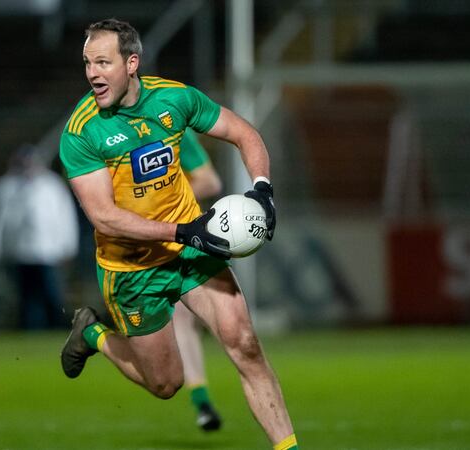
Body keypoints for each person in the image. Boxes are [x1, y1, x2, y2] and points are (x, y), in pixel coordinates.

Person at [58, 19, 298, 450]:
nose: (92, 73)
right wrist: (186, 231)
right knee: (167, 384)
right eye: (87, 63)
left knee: (244, 342)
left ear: (132, 63)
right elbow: (105, 218)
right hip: (131, 268)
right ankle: (93, 333)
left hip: (189, 249)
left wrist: (263, 190)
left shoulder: (174, 97)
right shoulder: (82, 132)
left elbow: (244, 134)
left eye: (103, 62)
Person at [0, 144, 79, 329]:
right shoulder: (6, 185)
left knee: (51, 293)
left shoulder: (52, 185)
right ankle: (31, 330)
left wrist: (68, 246)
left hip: (48, 251)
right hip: (19, 251)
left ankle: (57, 329)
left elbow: (65, 217)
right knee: (26, 296)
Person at [175, 129, 224, 431]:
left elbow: (209, 180)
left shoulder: (173, 129)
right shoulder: (108, 133)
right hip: (136, 242)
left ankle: (201, 400)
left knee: (183, 319)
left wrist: (163, 201)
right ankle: (95, 337)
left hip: (182, 235)